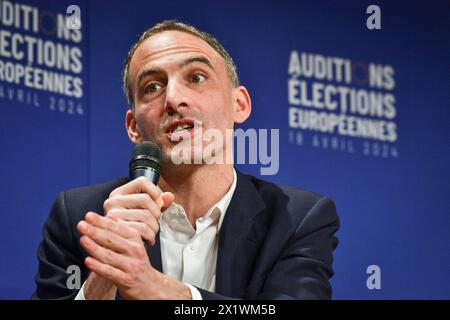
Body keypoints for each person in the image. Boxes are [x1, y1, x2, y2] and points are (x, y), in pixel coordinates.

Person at [32, 20, 340, 300]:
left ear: (239, 105)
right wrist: (103, 277)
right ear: (133, 127)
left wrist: (159, 289)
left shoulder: (296, 219)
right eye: (152, 87)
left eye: (196, 77)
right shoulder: (82, 218)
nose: (173, 99)